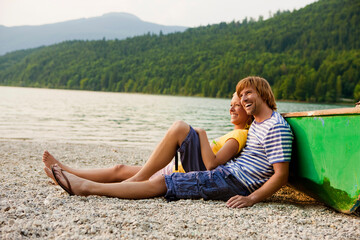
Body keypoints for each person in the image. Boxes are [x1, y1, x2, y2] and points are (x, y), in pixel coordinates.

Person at [48, 76, 293, 208]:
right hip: (227, 175)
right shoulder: (259, 124)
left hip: (234, 182)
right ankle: (78, 179)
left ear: (263, 93)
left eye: (247, 93)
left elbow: (280, 175)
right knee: (153, 177)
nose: (242, 99)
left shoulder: (276, 127)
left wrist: (251, 198)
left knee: (165, 182)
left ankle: (87, 188)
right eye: (240, 96)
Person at [43, 92, 253, 186]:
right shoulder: (232, 133)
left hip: (188, 172)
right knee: (119, 169)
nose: (232, 107)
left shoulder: (239, 135)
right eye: (231, 103)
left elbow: (211, 166)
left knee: (180, 127)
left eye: (238, 105)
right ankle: (66, 172)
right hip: (178, 167)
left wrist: (203, 134)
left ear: (249, 111)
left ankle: (137, 179)